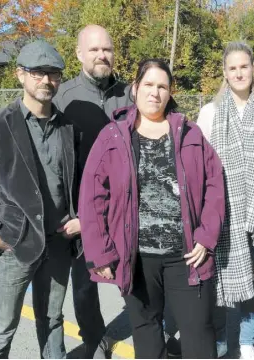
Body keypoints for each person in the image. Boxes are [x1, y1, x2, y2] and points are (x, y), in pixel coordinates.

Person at [78, 59, 225, 359]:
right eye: (148, 84)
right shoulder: (113, 137)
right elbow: (92, 196)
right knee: (146, 333)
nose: (155, 92)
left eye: (162, 86)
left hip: (186, 257)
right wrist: (101, 251)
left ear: (170, 93)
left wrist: (206, 236)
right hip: (137, 258)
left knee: (199, 336)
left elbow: (215, 185)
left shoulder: (190, 134)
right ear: (135, 88)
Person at [0, 40, 79, 358]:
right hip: (13, 245)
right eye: (38, 72)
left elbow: (71, 183)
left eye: (53, 73)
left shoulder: (67, 128)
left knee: (52, 322)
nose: (46, 80)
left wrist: (79, 219)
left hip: (57, 244)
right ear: (20, 75)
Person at [53, 24, 133, 358]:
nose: (102, 55)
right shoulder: (63, 97)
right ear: (79, 54)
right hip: (82, 212)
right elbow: (51, 158)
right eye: (95, 49)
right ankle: (95, 339)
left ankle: (148, 329)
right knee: (85, 286)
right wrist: (71, 212)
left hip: (127, 208)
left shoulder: (129, 93)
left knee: (136, 275)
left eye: (107, 49)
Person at [196, 41, 254, 359]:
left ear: (253, 69)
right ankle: (217, 339)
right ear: (225, 73)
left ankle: (245, 340)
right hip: (221, 214)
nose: (239, 72)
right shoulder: (210, 113)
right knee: (216, 281)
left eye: (245, 66)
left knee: (253, 283)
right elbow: (199, 165)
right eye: (233, 68)